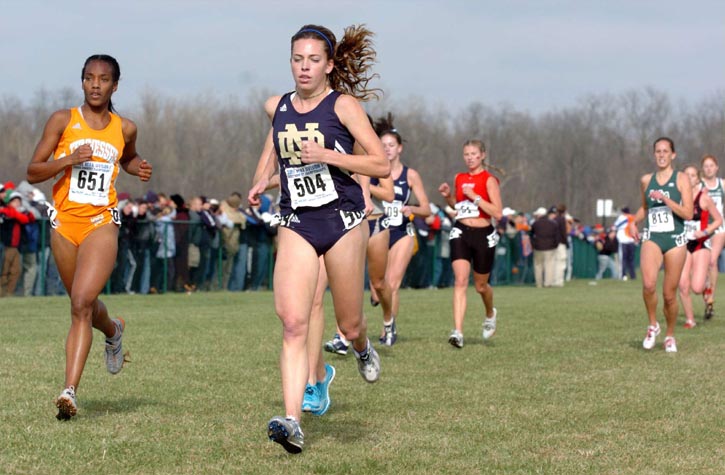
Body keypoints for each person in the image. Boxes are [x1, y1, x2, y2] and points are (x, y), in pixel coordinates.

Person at [247, 24, 389, 454]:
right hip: (296, 220)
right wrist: (261, 184)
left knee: (348, 323)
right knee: (293, 322)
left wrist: (329, 155)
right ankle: (292, 421)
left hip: (343, 220)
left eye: (312, 60)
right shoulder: (277, 107)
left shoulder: (343, 106)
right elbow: (274, 154)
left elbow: (380, 164)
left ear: (328, 65)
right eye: (297, 59)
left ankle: (363, 349)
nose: (303, 67)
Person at [26, 54, 152, 419]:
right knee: (84, 306)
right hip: (64, 224)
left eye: (104, 79)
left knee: (81, 302)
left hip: (101, 222)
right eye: (89, 78)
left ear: (115, 85)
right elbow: (33, 171)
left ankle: (69, 392)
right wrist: (68, 160)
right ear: (82, 82)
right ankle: (113, 330)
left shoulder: (125, 127)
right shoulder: (63, 120)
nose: (96, 85)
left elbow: (126, 157)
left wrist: (137, 166)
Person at [371, 113, 430, 341]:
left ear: (399, 148)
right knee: (378, 286)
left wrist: (411, 209)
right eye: (383, 145)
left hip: (401, 232)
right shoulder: (374, 172)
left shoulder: (410, 175)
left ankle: (387, 331)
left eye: (391, 145)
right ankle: (378, 298)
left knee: (393, 282)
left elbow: (427, 209)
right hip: (377, 230)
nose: (386, 149)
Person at [439, 140, 503, 348]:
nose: (469, 158)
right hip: (461, 231)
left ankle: (490, 313)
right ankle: (457, 332)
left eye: (474, 154)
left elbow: (497, 213)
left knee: (481, 286)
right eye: (466, 154)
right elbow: (459, 207)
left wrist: (475, 198)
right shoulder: (460, 178)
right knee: (460, 281)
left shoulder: (489, 180)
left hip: (483, 234)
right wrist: (449, 197)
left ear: (482, 155)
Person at [633, 137, 692, 353]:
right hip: (653, 236)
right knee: (648, 284)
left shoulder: (682, 179)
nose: (661, 155)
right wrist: (633, 222)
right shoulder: (646, 180)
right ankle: (652, 325)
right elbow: (644, 208)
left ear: (673, 155)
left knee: (669, 295)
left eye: (665, 151)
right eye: (658, 151)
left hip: (675, 239)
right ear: (653, 154)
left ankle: (669, 335)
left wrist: (666, 200)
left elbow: (688, 213)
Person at [678, 164, 722, 328]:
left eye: (692, 176)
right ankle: (690, 320)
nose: (689, 178)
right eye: (686, 175)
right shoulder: (679, 198)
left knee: (696, 288)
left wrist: (705, 231)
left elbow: (718, 219)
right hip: (683, 244)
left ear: (697, 179)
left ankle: (707, 288)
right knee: (682, 284)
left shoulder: (704, 198)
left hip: (700, 244)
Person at [700, 154, 724, 319]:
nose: (709, 168)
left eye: (711, 165)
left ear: (716, 168)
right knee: (699, 269)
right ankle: (707, 299)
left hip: (719, 228)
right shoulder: (698, 185)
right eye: (706, 166)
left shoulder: (722, 184)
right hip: (702, 229)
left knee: (712, 261)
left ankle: (711, 295)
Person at [0, 190, 37, 296]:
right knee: (4, 271)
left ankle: (9, 293)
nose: (17, 204)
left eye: (18, 201)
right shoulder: (5, 212)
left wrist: (25, 212)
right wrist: (17, 212)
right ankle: (1, 293)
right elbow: (13, 215)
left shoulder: (19, 212)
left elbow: (29, 218)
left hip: (16, 247)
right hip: (6, 246)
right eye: (14, 201)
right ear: (9, 202)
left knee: (16, 271)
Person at [530, 207, 559, 287]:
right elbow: (557, 236)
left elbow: (531, 235)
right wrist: (555, 245)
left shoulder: (535, 224)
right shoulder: (553, 223)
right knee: (549, 265)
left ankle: (539, 283)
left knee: (538, 266)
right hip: (550, 248)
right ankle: (548, 283)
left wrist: (534, 244)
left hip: (538, 247)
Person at [613, 207, 637, 280]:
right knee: (631, 259)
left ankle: (623, 275)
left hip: (623, 240)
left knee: (623, 259)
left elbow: (615, 226)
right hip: (631, 240)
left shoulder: (622, 217)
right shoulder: (633, 217)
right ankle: (633, 276)